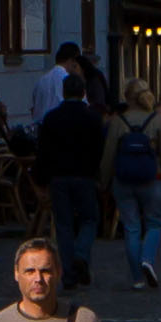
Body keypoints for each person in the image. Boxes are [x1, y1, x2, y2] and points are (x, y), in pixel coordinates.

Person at [32, 67, 111, 291]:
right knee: (89, 220)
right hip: (85, 176)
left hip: (58, 177)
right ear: (83, 91)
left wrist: (41, 179)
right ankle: (81, 254)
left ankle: (68, 274)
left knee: (63, 225)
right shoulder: (93, 118)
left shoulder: (52, 118)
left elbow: (43, 151)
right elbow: (99, 149)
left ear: (64, 92)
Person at [106, 91, 161, 291]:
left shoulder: (118, 121)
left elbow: (109, 153)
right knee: (154, 223)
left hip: (123, 180)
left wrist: (104, 180)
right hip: (152, 179)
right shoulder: (158, 120)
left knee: (131, 227)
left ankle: (137, 278)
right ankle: (147, 259)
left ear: (127, 97)